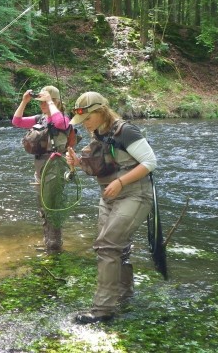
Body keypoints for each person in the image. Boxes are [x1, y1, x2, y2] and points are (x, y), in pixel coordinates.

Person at [66, 91, 156, 324]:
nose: (85, 124)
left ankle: (102, 310)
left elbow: (150, 162)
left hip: (135, 195)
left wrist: (121, 182)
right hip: (109, 198)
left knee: (107, 246)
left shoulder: (126, 131)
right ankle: (125, 296)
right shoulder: (98, 133)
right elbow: (102, 167)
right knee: (118, 248)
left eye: (87, 119)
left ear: (101, 112)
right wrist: (78, 163)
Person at [11, 85, 72, 253]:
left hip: (55, 166)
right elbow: (16, 121)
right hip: (40, 166)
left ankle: (54, 245)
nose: (42, 105)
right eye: (41, 102)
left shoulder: (64, 119)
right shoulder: (41, 118)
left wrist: (51, 102)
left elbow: (59, 122)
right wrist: (24, 101)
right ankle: (48, 242)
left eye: (44, 102)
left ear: (56, 101)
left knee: (52, 205)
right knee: (43, 207)